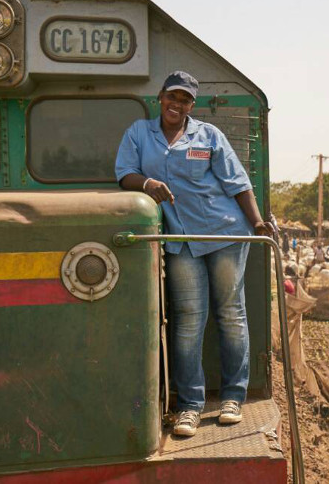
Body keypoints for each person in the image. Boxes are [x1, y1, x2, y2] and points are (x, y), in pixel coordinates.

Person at [115, 70, 272, 438]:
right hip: (180, 239)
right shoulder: (139, 133)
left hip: (225, 233)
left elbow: (237, 182)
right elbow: (124, 174)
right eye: (172, 96)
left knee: (230, 314)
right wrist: (147, 183)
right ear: (161, 97)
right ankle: (190, 406)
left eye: (185, 99)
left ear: (192, 105)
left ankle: (234, 397)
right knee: (188, 320)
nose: (177, 104)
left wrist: (258, 222)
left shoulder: (209, 136)